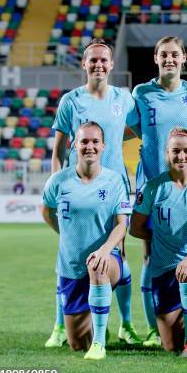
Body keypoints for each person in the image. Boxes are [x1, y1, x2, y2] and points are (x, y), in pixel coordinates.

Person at [47, 38, 141, 348]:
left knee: (120, 255)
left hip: (115, 190)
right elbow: (59, 148)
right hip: (77, 190)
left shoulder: (124, 99)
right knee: (69, 254)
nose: (98, 64)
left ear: (112, 65)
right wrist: (56, 187)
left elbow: (134, 130)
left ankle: (126, 324)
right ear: (85, 64)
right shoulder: (71, 101)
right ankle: (61, 325)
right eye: (93, 60)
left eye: (104, 60)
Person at [130, 36, 187, 348]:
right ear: (156, 58)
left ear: (184, 58)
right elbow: (140, 128)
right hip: (152, 183)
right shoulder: (142, 92)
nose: (170, 59)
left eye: (175, 54)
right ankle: (152, 328)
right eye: (164, 54)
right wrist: (151, 147)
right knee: (150, 257)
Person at [42, 122, 132, 360]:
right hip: (71, 266)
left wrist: (105, 250)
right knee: (76, 344)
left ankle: (100, 343)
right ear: (74, 146)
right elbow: (46, 212)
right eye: (84, 142)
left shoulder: (114, 181)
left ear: (103, 146)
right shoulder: (58, 181)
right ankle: (95, 327)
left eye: (95, 142)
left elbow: (122, 224)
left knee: (97, 265)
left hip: (105, 259)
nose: (89, 146)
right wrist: (66, 235)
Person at [129, 128, 187, 358]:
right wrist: (160, 237)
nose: (181, 156)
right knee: (169, 344)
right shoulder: (152, 189)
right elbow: (135, 228)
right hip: (163, 267)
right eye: (175, 151)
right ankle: (183, 320)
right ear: (167, 153)